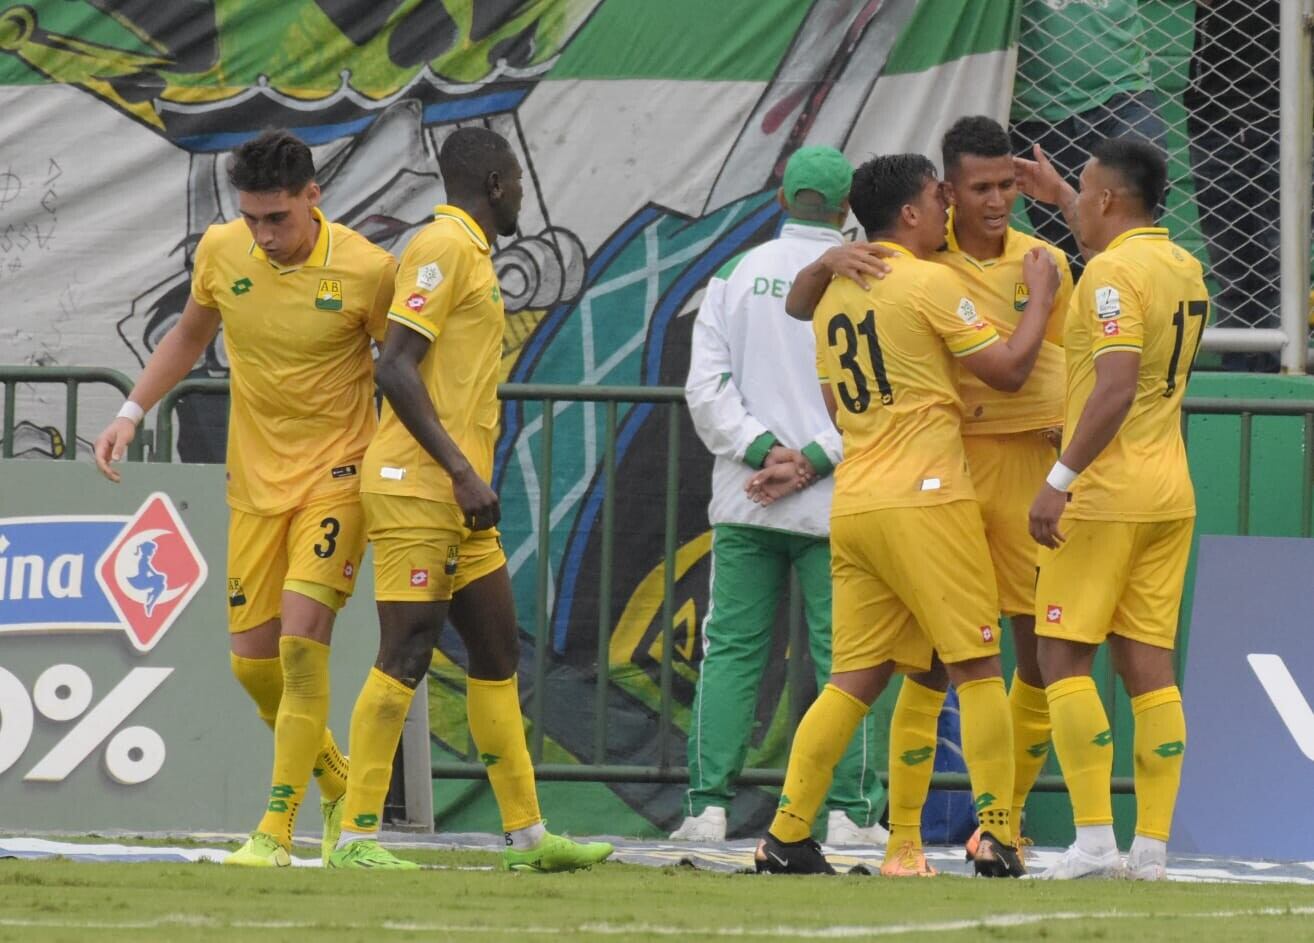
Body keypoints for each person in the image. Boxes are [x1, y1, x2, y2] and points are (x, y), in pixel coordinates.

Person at [776, 117, 1074, 876]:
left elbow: (831, 393)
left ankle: (785, 833)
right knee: (979, 665)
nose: (955, 207)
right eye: (946, 195)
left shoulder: (840, 293)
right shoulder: (929, 279)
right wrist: (1037, 299)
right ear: (913, 211)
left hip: (857, 501)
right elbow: (1007, 369)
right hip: (929, 493)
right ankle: (999, 835)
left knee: (856, 678)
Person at [92, 129, 398, 867]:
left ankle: (275, 827)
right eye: (253, 218)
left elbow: (410, 373)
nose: (264, 235)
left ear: (312, 196)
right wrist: (130, 413)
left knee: (300, 646)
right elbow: (190, 336)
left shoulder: (367, 270)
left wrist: (413, 465)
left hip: (340, 475)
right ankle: (336, 779)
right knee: (252, 666)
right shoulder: (224, 252)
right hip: (255, 482)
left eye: (278, 219)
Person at [326, 126, 613, 872]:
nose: (521, 190)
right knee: (409, 649)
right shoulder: (443, 246)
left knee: (495, 649)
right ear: (494, 184)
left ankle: (527, 837)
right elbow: (395, 367)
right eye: (516, 178)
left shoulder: (473, 254)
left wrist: (466, 476)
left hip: (459, 496)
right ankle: (356, 837)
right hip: (419, 486)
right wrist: (458, 468)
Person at [674, 146, 888, 847]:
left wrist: (766, 455)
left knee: (731, 649)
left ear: (780, 200)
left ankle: (706, 808)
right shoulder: (867, 280)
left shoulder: (734, 276)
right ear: (847, 203)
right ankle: (852, 815)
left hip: (748, 497)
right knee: (846, 658)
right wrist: (815, 460)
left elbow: (705, 390)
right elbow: (879, 397)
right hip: (837, 504)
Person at [1025, 137, 1206, 880]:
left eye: (1084, 191)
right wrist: (1060, 197)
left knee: (1060, 654)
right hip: (1170, 492)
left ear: (1108, 199)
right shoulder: (1181, 264)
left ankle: (1095, 840)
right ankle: (1152, 850)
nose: (1080, 203)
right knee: (1149, 669)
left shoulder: (1107, 271)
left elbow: (1116, 385)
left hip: (1104, 494)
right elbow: (1116, 263)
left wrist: (1059, 477)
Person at [1009, 0, 1165, 269]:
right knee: (1067, 251)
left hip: (1124, 88)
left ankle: (1131, 292)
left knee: (1135, 205)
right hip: (1041, 108)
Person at [1185, 0, 1279, 370]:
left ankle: (1279, 363)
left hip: (1285, 109)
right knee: (1231, 261)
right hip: (1214, 111)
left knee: (1276, 255)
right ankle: (1239, 365)